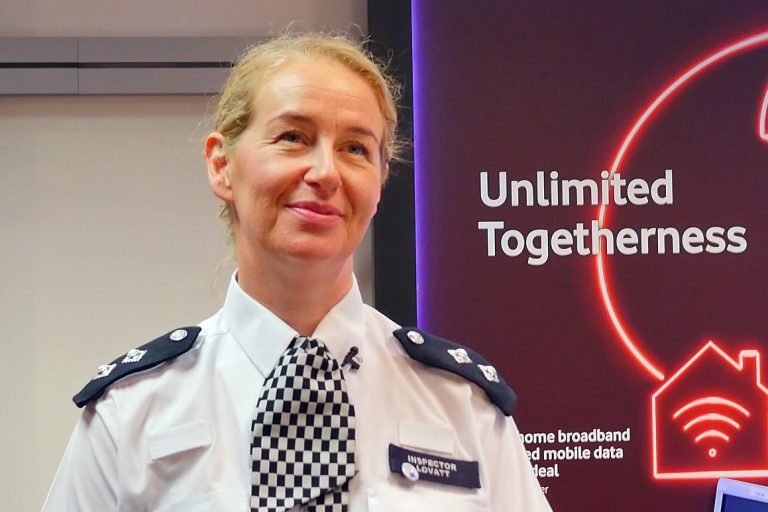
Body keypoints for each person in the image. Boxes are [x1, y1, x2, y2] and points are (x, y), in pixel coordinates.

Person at [42, 33, 552, 512]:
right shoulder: (130, 412)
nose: (326, 173)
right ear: (222, 165)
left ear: (379, 180)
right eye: (293, 137)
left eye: (355, 148)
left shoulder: (462, 406)